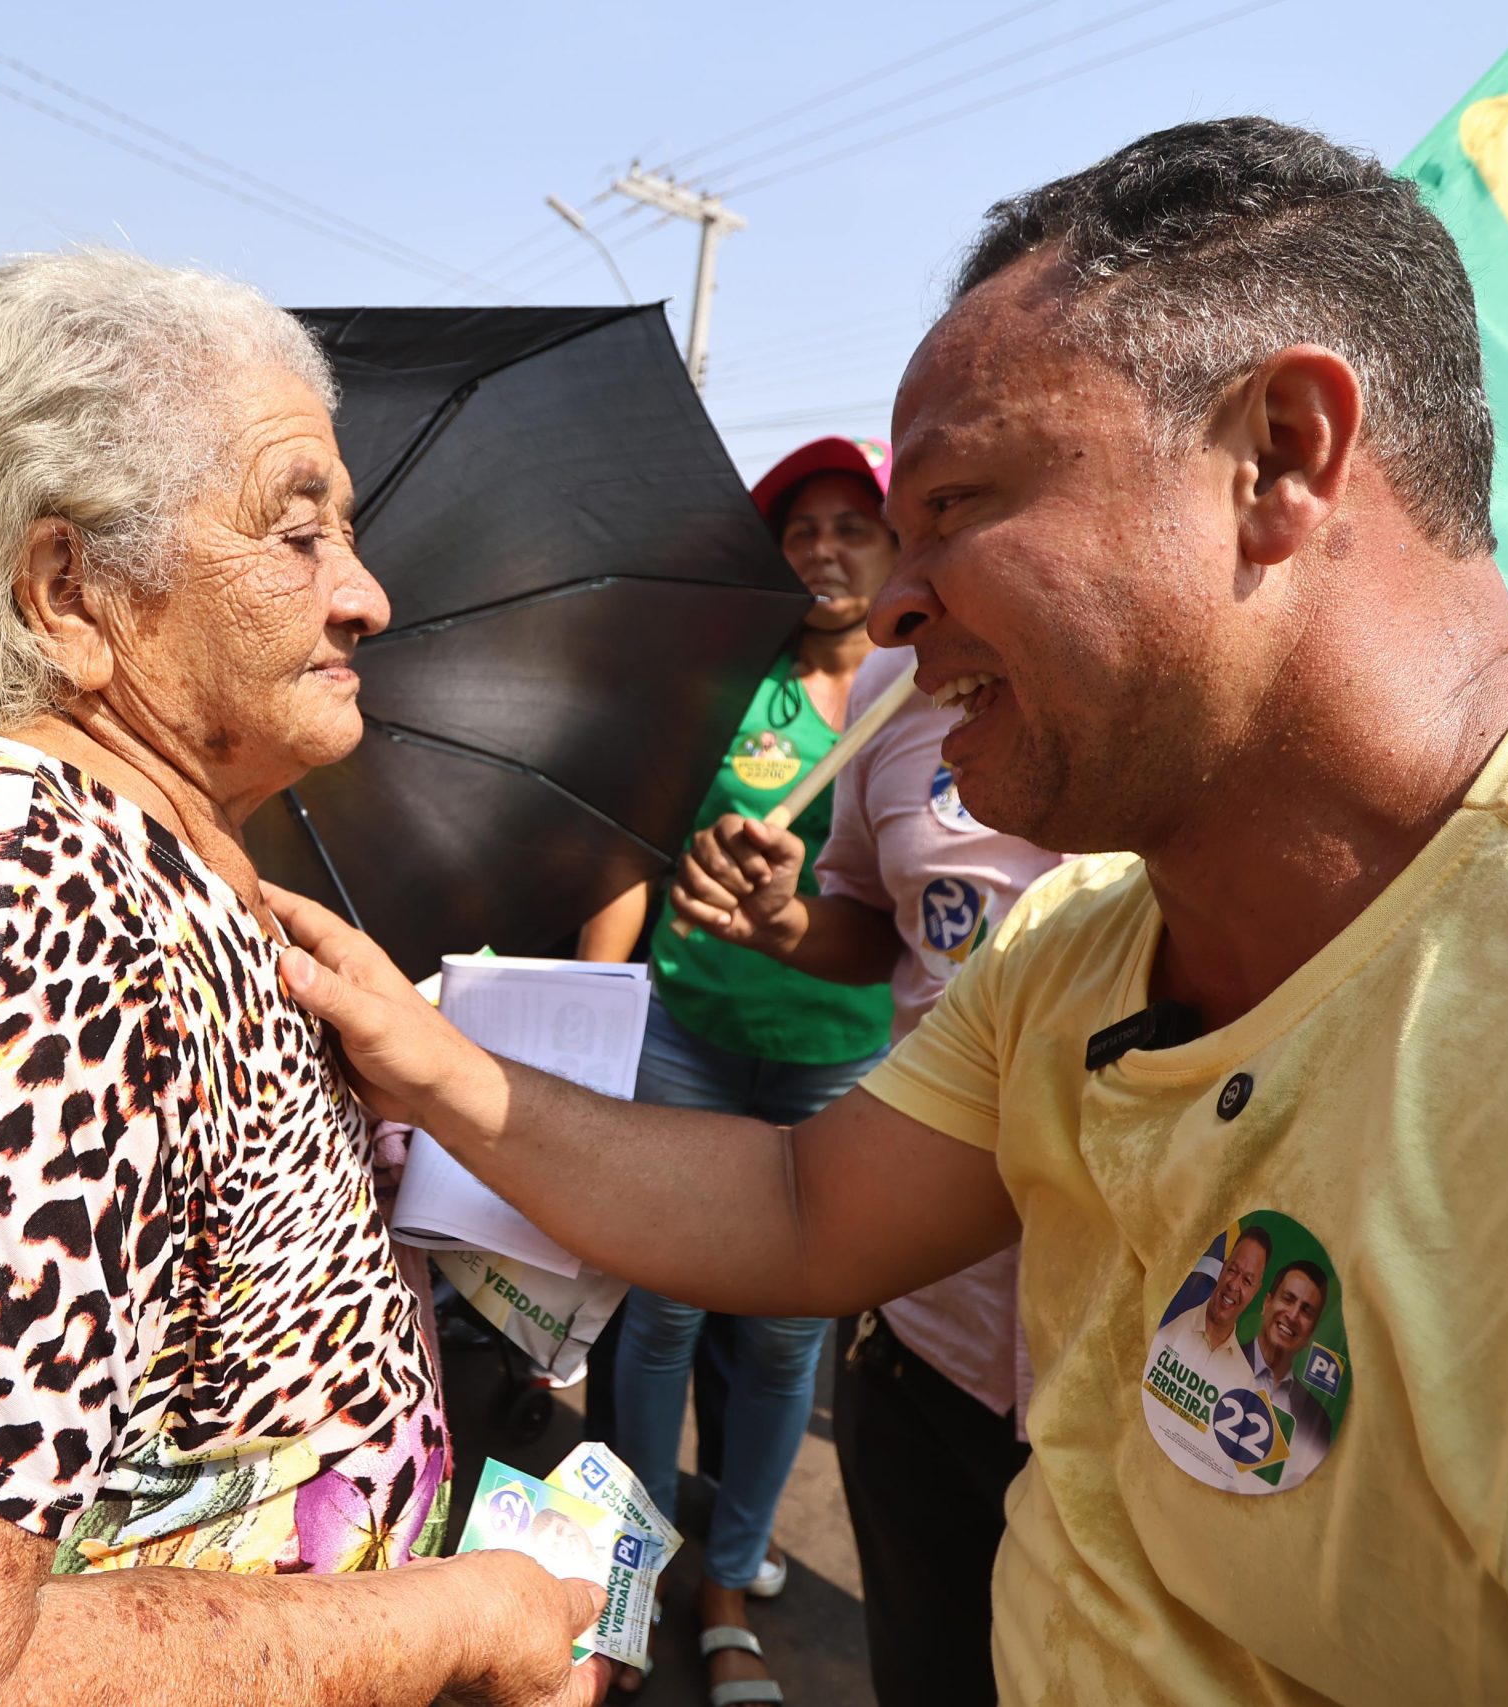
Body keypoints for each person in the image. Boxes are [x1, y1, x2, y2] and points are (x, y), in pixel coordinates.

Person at [266, 117, 1508, 1704]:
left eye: (958, 506)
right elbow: (799, 1207)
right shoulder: (1080, 950)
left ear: (1283, 456)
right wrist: (423, 1056)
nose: (894, 603)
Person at [0, 251, 608, 1707]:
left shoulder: (127, 860)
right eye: (296, 532)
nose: (368, 594)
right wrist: (456, 1618)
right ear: (66, 588)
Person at [667, 586, 1062, 1703]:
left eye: (956, 505)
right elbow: (869, 922)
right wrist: (781, 921)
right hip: (923, 1332)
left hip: (1127, 1366)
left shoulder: (1192, 715)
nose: (901, 589)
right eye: (910, 515)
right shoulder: (892, 695)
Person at [574, 435, 897, 1703]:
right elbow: (631, 854)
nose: (822, 550)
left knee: (781, 1340)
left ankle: (732, 1582)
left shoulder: (926, 697)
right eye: (799, 530)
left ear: (892, 546)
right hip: (690, 1042)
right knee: (658, 1320)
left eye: (849, 526)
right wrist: (602, 1014)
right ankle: (635, 1575)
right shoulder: (727, 686)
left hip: (838, 1062)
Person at [1142, 1225, 1267, 1406]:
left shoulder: (1245, 1380)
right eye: (1232, 1270)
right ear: (1223, 1269)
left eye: (1247, 1281)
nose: (1234, 1285)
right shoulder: (1167, 1323)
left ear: (1256, 1291)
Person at [1240, 1260, 1334, 1490]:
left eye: (1306, 1311)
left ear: (1311, 1332)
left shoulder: (1317, 1423)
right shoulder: (1217, 1358)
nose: (1292, 1315)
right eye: (1288, 1299)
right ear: (1267, 1303)